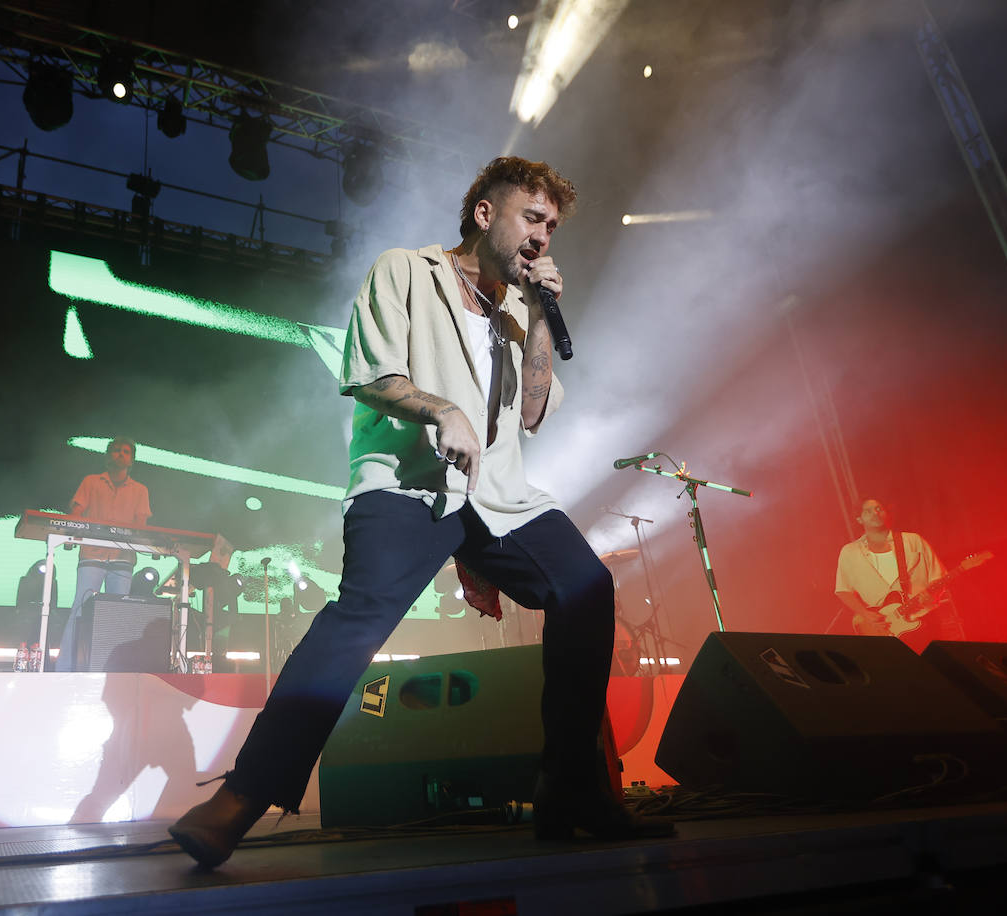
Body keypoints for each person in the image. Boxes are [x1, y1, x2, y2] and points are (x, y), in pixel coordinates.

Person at [169, 156, 672, 868]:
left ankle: (573, 791)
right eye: (533, 218)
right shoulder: (405, 270)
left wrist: (536, 315)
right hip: (407, 484)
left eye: (553, 227)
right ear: (485, 213)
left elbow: (530, 414)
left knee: (586, 587)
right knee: (359, 616)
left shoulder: (518, 304)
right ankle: (241, 799)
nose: (543, 237)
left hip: (498, 496)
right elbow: (370, 373)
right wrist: (443, 410)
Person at [54, 436, 152, 671]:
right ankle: (64, 667)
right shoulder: (91, 482)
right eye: (116, 450)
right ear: (108, 456)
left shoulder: (140, 490)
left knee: (118, 614)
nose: (120, 454)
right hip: (92, 554)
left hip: (123, 558)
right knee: (80, 607)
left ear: (132, 460)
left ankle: (112, 669)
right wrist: (70, 535)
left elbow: (141, 524)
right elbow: (76, 511)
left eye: (126, 451)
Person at [835, 497, 964, 652]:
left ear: (887, 513)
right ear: (859, 519)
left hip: (923, 620)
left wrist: (932, 595)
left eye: (879, 508)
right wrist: (865, 614)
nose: (875, 513)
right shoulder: (850, 552)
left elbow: (938, 576)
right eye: (868, 511)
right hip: (882, 629)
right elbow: (843, 590)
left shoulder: (913, 541)